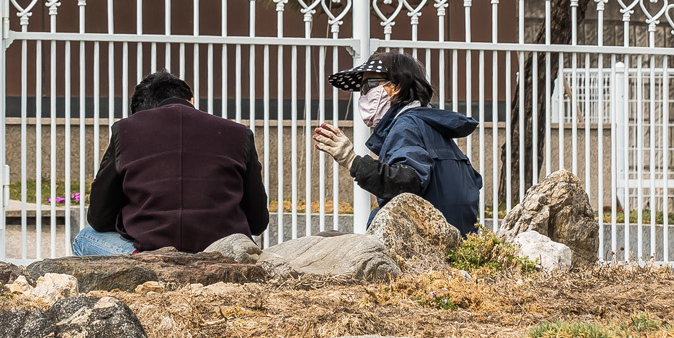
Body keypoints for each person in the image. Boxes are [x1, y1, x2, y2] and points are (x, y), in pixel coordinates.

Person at [74, 71, 270, 256]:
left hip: (150, 253)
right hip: (223, 254)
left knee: (85, 237)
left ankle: (140, 263)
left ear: (141, 113)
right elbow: (258, 223)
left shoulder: (126, 131)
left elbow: (99, 218)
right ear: (191, 101)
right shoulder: (239, 133)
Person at [312, 50, 481, 235]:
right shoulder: (430, 126)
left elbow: (406, 183)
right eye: (361, 90)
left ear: (396, 87)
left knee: (323, 239)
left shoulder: (406, 126)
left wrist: (352, 160)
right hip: (453, 240)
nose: (363, 95)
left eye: (368, 86)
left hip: (422, 242)